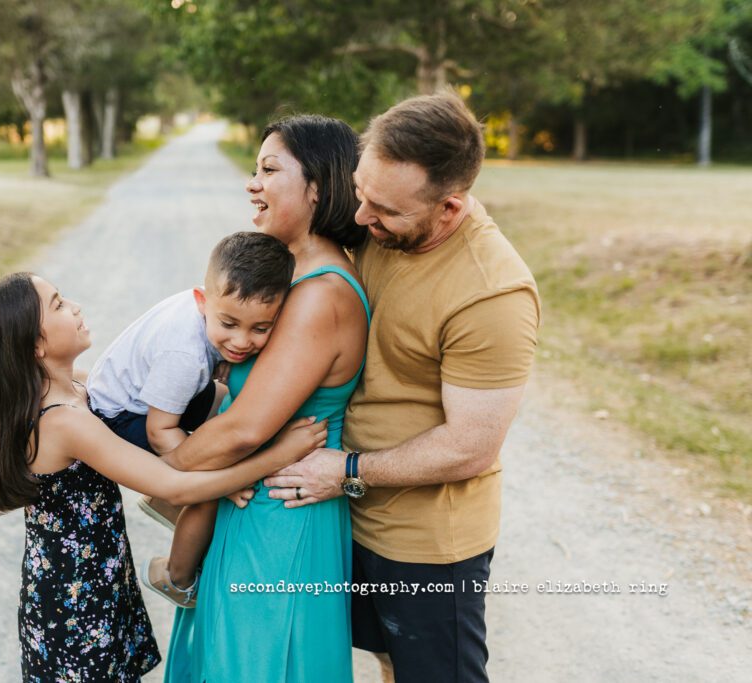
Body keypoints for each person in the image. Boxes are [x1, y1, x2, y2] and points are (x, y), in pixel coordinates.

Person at [263, 91, 541, 682]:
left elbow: (472, 445)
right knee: (386, 661)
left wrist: (348, 469)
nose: (361, 218)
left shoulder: (492, 294)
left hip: (423, 543)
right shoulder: (375, 220)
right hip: (345, 515)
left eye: (384, 209)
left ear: (449, 208)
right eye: (361, 192)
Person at [0, 272, 328, 682]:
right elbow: (170, 484)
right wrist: (277, 455)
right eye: (59, 304)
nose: (75, 306)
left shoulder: (80, 388)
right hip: (74, 599)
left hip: (99, 579)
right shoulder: (63, 421)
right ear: (35, 344)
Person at [163, 114, 369, 682]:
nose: (252, 183)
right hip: (255, 499)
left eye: (269, 169)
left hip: (279, 517)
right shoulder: (291, 277)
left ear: (318, 188)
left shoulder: (320, 293)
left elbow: (246, 428)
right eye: (254, 169)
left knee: (259, 661)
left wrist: (159, 473)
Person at [85, 231, 296, 608]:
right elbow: (159, 429)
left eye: (260, 328)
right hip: (121, 417)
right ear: (202, 300)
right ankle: (176, 577)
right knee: (209, 486)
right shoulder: (183, 354)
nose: (242, 341)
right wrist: (212, 479)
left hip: (155, 397)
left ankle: (169, 496)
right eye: (229, 324)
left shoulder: (206, 312)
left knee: (229, 415)